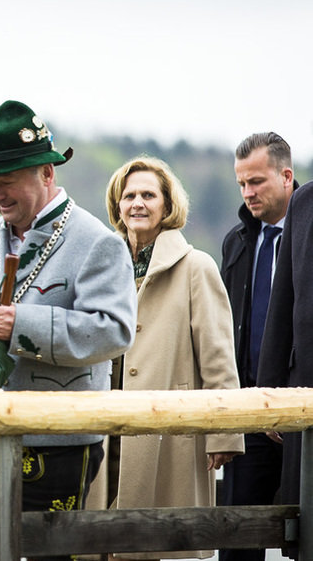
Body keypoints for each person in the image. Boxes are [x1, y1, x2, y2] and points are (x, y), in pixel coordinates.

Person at [0, 100, 137, 539]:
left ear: (48, 173)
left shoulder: (98, 242)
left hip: (57, 441)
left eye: (6, 182)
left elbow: (114, 331)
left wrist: (22, 324)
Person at [91, 156, 244, 561]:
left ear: (167, 204)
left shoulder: (197, 267)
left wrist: (225, 432)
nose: (137, 203)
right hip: (103, 429)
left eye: (148, 195)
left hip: (169, 433)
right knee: (98, 541)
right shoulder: (102, 266)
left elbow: (218, 358)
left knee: (159, 543)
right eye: (128, 196)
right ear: (117, 205)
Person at [219, 133, 295, 561]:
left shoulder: (306, 234)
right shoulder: (237, 241)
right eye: (241, 184)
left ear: (286, 176)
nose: (248, 193)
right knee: (238, 535)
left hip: (302, 407)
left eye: (257, 182)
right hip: (248, 410)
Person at [257, 181, 313, 559]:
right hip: (304, 387)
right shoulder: (304, 200)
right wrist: (269, 390)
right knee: (307, 531)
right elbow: (283, 300)